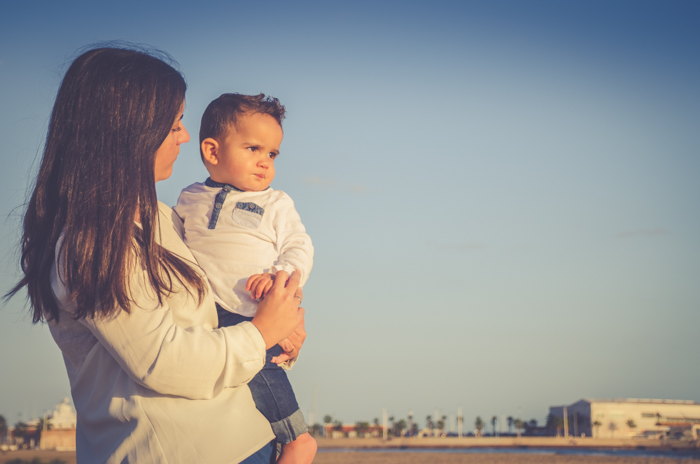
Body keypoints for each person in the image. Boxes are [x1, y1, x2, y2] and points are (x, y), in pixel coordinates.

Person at [5, 46, 306, 464]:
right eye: (176, 123)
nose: (185, 137)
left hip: (244, 440)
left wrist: (278, 313)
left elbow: (217, 303)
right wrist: (261, 333)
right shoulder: (88, 240)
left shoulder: (163, 218)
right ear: (130, 130)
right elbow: (165, 361)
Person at [174, 94, 316, 463]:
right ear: (212, 151)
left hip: (253, 309)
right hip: (206, 312)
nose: (265, 162)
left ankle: (297, 438)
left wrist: (279, 277)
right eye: (254, 148)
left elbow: (299, 246)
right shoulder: (189, 199)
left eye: (272, 154)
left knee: (264, 370)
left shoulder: (276, 203)